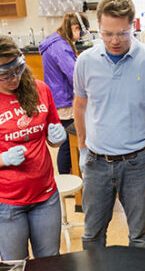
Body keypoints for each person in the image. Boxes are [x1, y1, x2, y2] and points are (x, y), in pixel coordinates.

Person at [73, 0, 145, 250]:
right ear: (97, 27)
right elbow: (80, 104)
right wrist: (82, 147)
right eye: (107, 33)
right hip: (96, 162)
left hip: (138, 163)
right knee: (92, 235)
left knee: (140, 237)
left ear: (134, 26)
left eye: (122, 33)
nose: (115, 40)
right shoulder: (85, 61)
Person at [0, 35, 67, 260]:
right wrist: (3, 159)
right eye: (3, 75)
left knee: (49, 261)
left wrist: (57, 138)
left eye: (17, 70)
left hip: (45, 196)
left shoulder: (40, 90)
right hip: (4, 203)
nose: (13, 79)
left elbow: (51, 138)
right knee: (17, 264)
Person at [39, 12, 90, 174]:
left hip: (58, 98)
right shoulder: (60, 46)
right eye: (81, 33)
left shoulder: (56, 41)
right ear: (75, 28)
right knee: (68, 144)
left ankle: (69, 176)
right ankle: (66, 179)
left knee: (67, 143)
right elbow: (74, 75)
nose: (80, 38)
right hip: (64, 102)